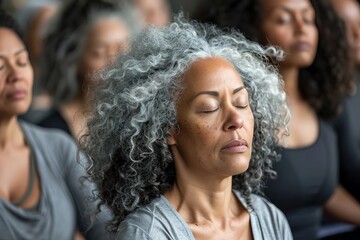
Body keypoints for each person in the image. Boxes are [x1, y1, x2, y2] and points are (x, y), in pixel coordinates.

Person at [80, 15, 293, 239]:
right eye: (210, 108)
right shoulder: (147, 233)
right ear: (168, 128)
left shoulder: (270, 220)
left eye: (241, 103)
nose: (236, 120)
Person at [192, 0, 360, 239]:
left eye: (309, 19)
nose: (302, 29)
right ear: (252, 30)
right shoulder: (239, 117)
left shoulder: (323, 104)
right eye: (284, 19)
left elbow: (325, 191)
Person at [0, 8, 112, 240]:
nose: (16, 75)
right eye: (0, 66)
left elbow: (105, 230)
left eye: (22, 61)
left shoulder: (58, 147)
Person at [37, 0, 139, 140]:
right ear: (74, 60)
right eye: (99, 52)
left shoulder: (139, 121)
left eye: (122, 49)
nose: (114, 62)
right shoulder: (49, 132)